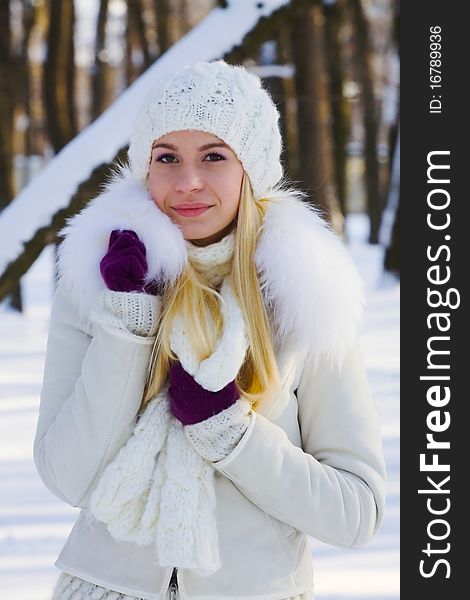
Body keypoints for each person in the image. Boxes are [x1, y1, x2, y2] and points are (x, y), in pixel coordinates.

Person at [34, 60, 387, 600]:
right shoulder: (100, 282)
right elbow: (68, 475)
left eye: (214, 156)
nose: (187, 182)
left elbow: (355, 512)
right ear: (145, 167)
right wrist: (128, 330)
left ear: (251, 167)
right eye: (166, 157)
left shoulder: (305, 295)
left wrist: (233, 437)